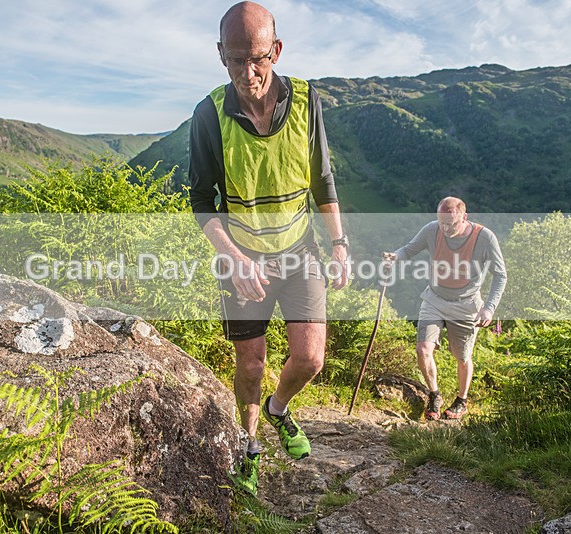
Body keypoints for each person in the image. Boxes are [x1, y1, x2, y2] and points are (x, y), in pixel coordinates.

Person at [188, 1, 349, 495]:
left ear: (276, 51)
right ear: (220, 55)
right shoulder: (209, 114)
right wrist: (233, 257)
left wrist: (339, 243)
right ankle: (250, 445)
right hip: (242, 257)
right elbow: (201, 201)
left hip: (300, 251)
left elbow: (322, 180)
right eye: (235, 60)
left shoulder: (305, 101)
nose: (247, 73)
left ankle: (279, 409)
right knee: (251, 363)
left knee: (310, 359)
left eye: (257, 59)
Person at [387, 197, 506, 420]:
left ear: (464, 217)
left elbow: (500, 275)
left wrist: (489, 308)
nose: (446, 229)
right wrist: (395, 256)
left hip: (466, 305)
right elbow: (409, 250)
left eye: (451, 224)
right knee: (423, 349)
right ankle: (434, 395)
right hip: (434, 299)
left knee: (462, 356)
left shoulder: (484, 237)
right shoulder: (432, 230)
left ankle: (462, 400)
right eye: (442, 223)